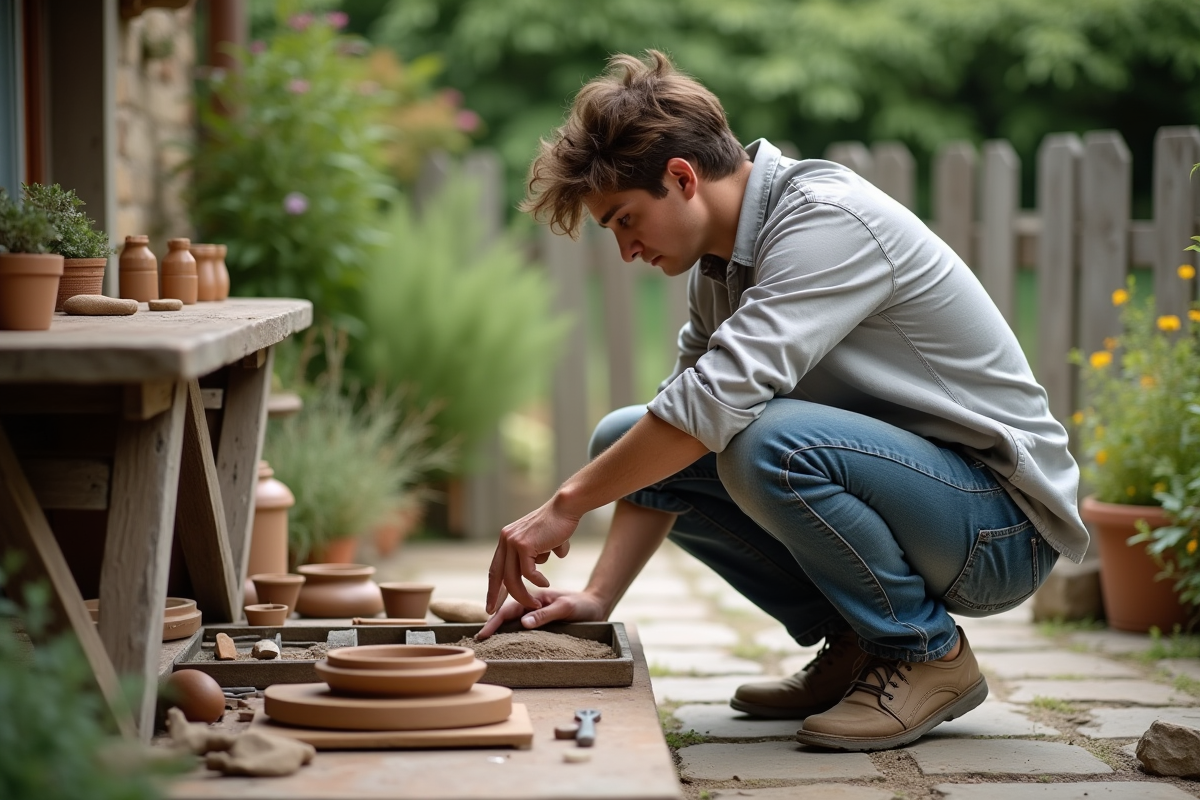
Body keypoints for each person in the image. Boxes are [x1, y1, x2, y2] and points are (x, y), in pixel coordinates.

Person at [476, 50, 1088, 752]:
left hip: (998, 528)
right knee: (627, 437)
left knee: (769, 445)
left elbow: (713, 406)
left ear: (681, 179)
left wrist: (565, 504)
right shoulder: (720, 267)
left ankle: (925, 655)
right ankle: (862, 644)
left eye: (622, 219)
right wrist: (596, 599)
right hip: (930, 507)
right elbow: (678, 420)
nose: (624, 250)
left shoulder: (827, 221)